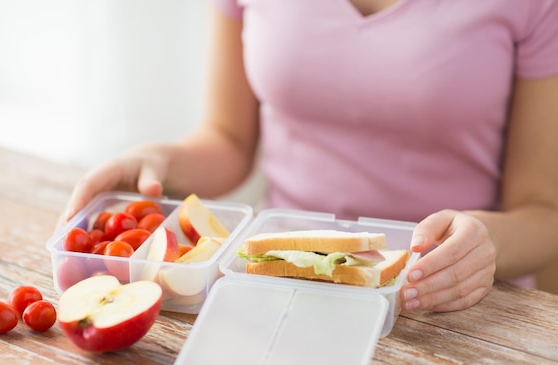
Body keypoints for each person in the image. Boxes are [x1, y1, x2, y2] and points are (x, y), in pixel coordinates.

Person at [60, 0, 558, 313]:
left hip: (451, 304)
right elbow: (228, 140)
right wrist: (158, 162)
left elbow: (545, 213)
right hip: (280, 284)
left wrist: (485, 242)